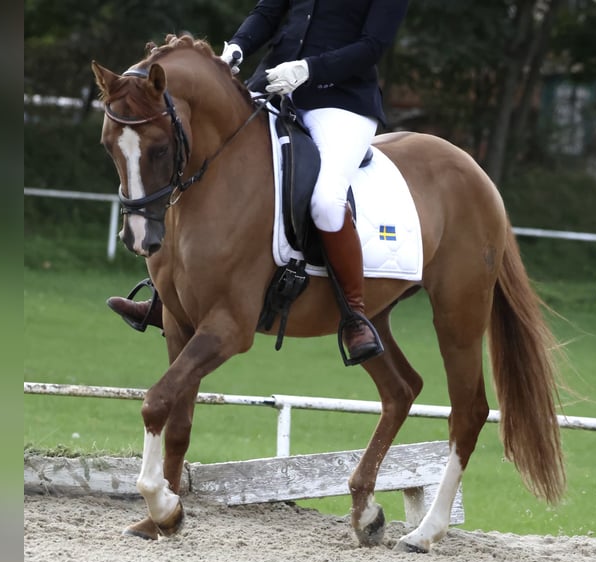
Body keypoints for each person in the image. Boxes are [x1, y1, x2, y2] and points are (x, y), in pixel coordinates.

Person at [108, 0, 409, 364]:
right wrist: (237, 46)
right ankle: (166, 295)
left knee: (326, 202)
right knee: (197, 160)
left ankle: (354, 315)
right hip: (275, 86)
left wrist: (310, 69)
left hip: (340, 104)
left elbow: (373, 45)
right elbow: (267, 12)